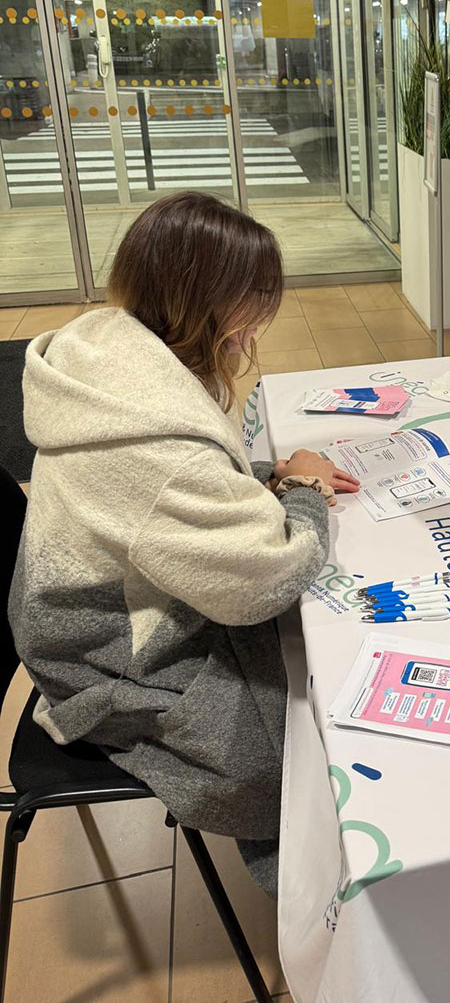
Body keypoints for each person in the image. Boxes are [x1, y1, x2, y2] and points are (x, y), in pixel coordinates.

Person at [9, 192, 359, 895]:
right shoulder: (159, 442)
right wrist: (305, 493)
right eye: (255, 300)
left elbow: (174, 498)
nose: (262, 319)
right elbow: (264, 579)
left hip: (71, 621)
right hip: (106, 663)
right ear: (209, 302)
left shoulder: (114, 348)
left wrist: (261, 481)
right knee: (309, 736)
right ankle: (327, 901)